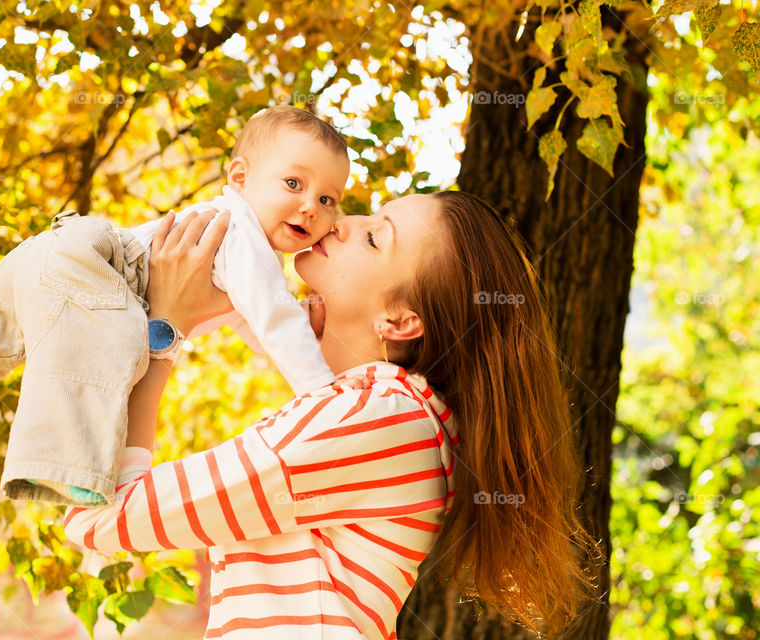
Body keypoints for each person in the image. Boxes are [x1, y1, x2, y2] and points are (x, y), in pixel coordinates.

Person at [63, 192, 597, 639]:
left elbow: (98, 516)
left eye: (373, 237)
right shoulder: (398, 421)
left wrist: (163, 330)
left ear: (400, 319)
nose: (342, 223)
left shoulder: (379, 423)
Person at [0, 106, 350, 506]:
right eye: (294, 183)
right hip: (104, 268)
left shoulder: (245, 250)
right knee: (97, 359)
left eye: (327, 199)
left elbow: (262, 329)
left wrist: (311, 330)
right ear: (240, 177)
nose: (310, 206)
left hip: (53, 252)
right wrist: (325, 396)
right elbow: (275, 322)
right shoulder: (243, 234)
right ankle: (67, 471)